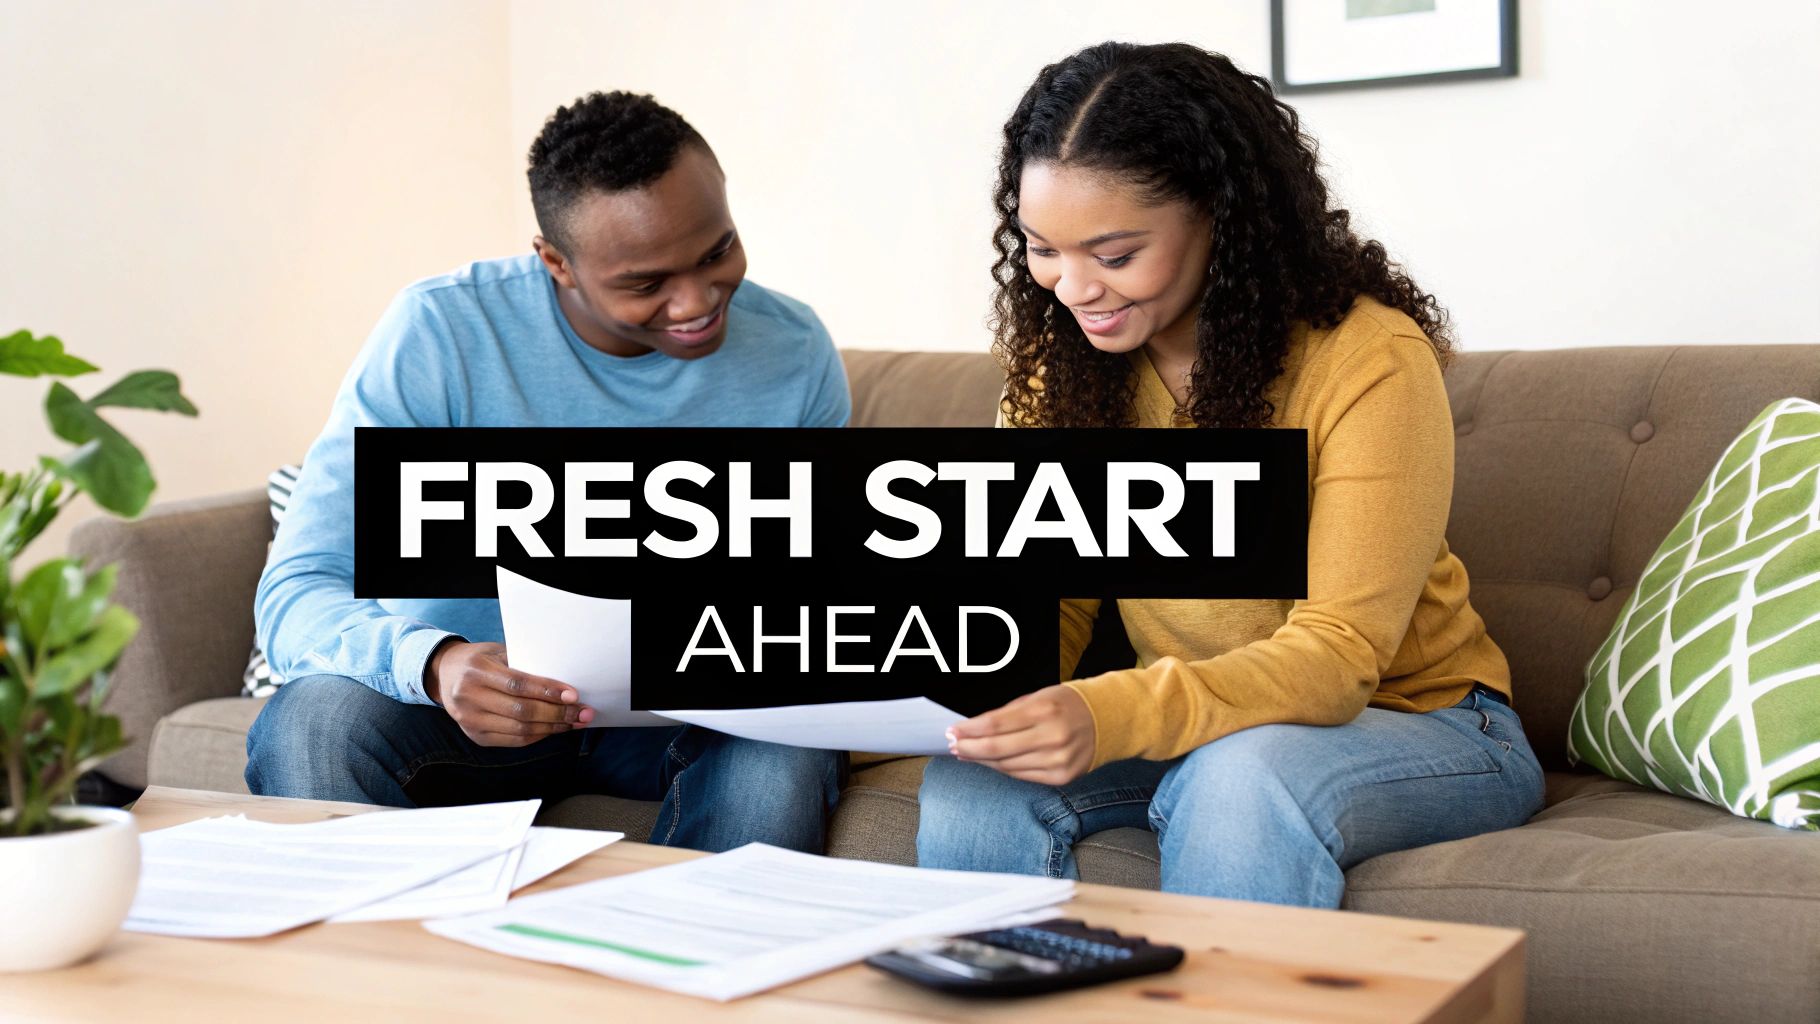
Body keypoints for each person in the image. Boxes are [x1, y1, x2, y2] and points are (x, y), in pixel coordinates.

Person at [916, 42, 1545, 905]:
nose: (1072, 288)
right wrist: (970, 698)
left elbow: (1339, 657)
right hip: (1206, 726)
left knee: (1241, 775)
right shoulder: (1058, 372)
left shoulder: (1368, 360)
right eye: (1042, 249)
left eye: (1114, 254)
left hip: (1425, 724)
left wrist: (1111, 712)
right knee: (978, 780)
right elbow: (1046, 602)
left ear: (1223, 216)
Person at [246, 92, 850, 853]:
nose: (696, 301)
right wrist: (436, 665)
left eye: (715, 252)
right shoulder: (441, 334)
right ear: (556, 262)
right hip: (463, 717)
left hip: (680, 717)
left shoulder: (793, 352)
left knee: (786, 749)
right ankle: (384, 939)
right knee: (315, 723)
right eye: (646, 283)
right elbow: (299, 586)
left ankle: (700, 930)